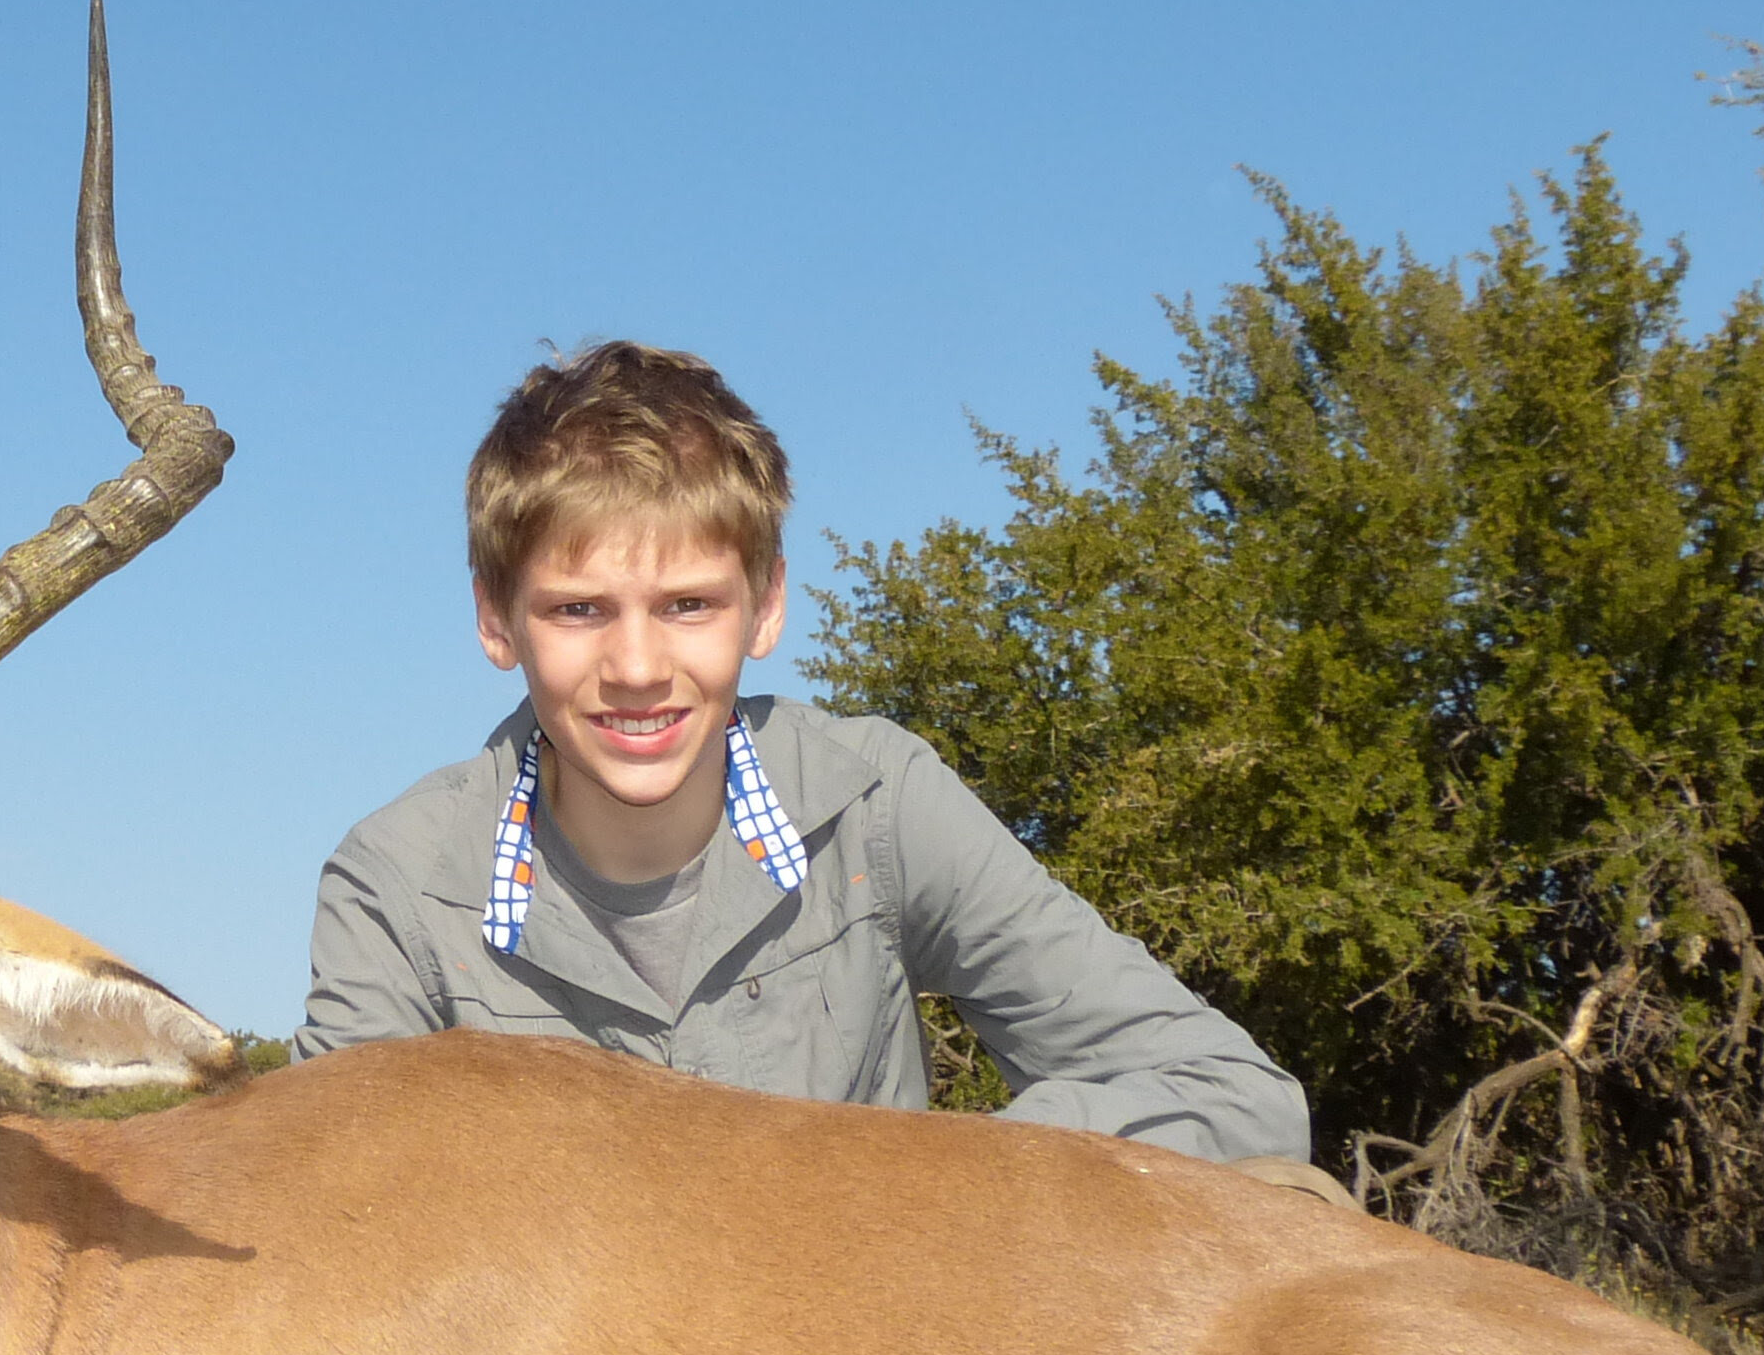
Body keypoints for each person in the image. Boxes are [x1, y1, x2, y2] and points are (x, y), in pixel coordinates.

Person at [295, 341, 1315, 1165]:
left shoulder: (879, 798)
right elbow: (326, 1209)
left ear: (766, 605)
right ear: (495, 620)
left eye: (689, 604)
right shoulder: (393, 886)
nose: (638, 666)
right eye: (578, 611)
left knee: (1292, 1201)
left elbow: (1231, 1097)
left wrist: (895, 1199)